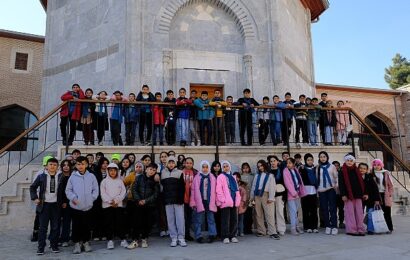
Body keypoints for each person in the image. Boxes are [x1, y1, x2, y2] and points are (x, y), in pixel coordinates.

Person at [65, 156, 99, 254]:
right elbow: (68, 190)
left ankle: (86, 242)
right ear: (76, 165)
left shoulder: (91, 176)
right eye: (78, 164)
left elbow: (95, 190)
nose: (80, 166)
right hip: (76, 207)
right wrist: (73, 198)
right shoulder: (72, 176)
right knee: (76, 225)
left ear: (87, 165)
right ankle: (77, 243)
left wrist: (91, 198)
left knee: (87, 225)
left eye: (83, 164)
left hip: (88, 206)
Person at [30, 158, 61, 255]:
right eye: (50, 164)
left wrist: (63, 202)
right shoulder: (41, 177)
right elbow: (32, 187)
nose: (52, 166)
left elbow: (64, 190)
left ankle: (54, 245)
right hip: (44, 205)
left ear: (57, 167)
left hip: (56, 206)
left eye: (55, 165)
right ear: (46, 166)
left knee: (55, 227)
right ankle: (41, 247)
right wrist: (35, 198)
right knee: (43, 228)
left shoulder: (61, 177)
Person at [129, 163, 159, 248]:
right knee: (137, 222)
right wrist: (139, 200)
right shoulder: (139, 178)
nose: (152, 171)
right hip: (138, 204)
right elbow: (134, 189)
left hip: (149, 205)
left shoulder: (155, 180)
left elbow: (156, 194)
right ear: (146, 169)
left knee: (147, 223)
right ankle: (135, 240)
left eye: (154, 170)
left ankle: (144, 239)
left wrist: (145, 201)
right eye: (150, 169)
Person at [160, 156, 187, 247]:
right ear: (166, 164)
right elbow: (162, 188)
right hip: (168, 200)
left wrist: (180, 199)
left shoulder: (180, 173)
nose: (171, 164)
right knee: (170, 220)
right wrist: (163, 199)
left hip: (178, 200)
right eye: (169, 163)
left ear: (175, 163)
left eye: (173, 162)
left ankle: (181, 237)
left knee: (180, 219)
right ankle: (174, 237)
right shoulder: (163, 173)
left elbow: (182, 188)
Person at [100, 163, 127, 249]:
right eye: (110, 170)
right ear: (108, 171)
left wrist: (116, 201)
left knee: (120, 222)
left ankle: (123, 239)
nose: (112, 172)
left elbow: (123, 192)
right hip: (107, 206)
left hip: (118, 205)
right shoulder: (104, 181)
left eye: (114, 170)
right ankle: (110, 240)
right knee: (109, 223)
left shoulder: (120, 181)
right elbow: (103, 193)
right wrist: (110, 201)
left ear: (117, 171)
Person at [338, 154, 367, 236]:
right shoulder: (342, 171)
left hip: (358, 194)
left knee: (359, 212)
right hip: (348, 195)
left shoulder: (356, 170)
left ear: (353, 161)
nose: (349, 162)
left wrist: (364, 193)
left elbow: (361, 182)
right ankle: (351, 229)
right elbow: (341, 184)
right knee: (350, 212)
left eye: (351, 161)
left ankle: (360, 228)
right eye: (348, 160)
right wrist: (343, 194)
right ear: (345, 161)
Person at [251, 160, 280, 239]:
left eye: (261, 165)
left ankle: (272, 232)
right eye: (259, 166)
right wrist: (252, 197)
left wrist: (271, 197)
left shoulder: (270, 175)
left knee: (269, 214)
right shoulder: (257, 176)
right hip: (257, 195)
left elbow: (272, 187)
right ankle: (261, 231)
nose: (260, 167)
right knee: (258, 214)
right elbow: (253, 186)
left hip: (266, 194)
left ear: (265, 165)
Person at [190, 160, 217, 243]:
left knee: (211, 219)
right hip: (200, 201)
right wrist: (193, 202)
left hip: (210, 201)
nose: (205, 169)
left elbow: (216, 190)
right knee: (198, 219)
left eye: (206, 167)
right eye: (203, 167)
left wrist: (216, 201)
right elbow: (193, 190)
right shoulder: (197, 177)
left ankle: (212, 234)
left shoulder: (212, 177)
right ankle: (198, 235)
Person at [216, 161, 241, 244]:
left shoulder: (233, 177)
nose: (226, 168)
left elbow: (236, 189)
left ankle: (232, 235)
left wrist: (238, 198)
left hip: (233, 200)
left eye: (227, 166)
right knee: (225, 220)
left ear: (230, 167)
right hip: (226, 201)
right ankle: (225, 236)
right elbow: (218, 190)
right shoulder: (221, 176)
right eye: (224, 166)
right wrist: (223, 200)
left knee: (234, 219)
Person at [316, 151, 339, 235]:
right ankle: (328, 226)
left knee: (332, 208)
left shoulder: (332, 166)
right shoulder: (318, 167)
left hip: (331, 189)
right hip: (322, 190)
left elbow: (336, 177)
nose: (322, 158)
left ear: (327, 157)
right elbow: (316, 178)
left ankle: (334, 226)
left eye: (324, 156)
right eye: (321, 157)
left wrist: (336, 187)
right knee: (324, 209)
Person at [283, 158, 306, 235]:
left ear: (293, 163)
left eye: (290, 163)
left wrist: (299, 191)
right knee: (293, 212)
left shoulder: (295, 170)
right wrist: (293, 192)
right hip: (291, 194)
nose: (288, 164)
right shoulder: (285, 171)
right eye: (287, 163)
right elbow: (287, 183)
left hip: (297, 193)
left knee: (296, 211)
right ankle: (293, 228)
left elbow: (299, 181)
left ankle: (297, 226)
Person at [371, 159, 394, 232]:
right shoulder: (371, 173)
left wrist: (390, 193)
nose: (376, 166)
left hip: (385, 194)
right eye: (375, 165)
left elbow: (390, 185)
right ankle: (379, 227)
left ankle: (389, 227)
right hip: (376, 195)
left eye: (378, 165)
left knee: (387, 211)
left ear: (381, 165)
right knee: (378, 212)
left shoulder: (386, 173)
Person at [90, 157, 109, 241]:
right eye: (103, 163)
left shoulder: (110, 173)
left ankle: (104, 233)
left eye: (106, 163)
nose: (105, 165)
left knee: (105, 216)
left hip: (107, 197)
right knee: (96, 216)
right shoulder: (95, 173)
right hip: (97, 198)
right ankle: (96, 234)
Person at [299, 153, 318, 233]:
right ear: (305, 161)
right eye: (308, 160)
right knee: (306, 210)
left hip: (313, 191)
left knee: (314, 210)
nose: (310, 161)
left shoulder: (315, 169)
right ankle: (307, 227)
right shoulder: (302, 168)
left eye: (311, 160)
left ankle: (314, 226)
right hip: (305, 192)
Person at [268, 155, 286, 235]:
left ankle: (281, 229)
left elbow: (285, 183)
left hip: (280, 194)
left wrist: (285, 195)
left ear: (277, 161)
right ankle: (272, 229)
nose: (272, 163)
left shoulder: (282, 171)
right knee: (271, 213)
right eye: (271, 161)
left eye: (274, 161)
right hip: (270, 195)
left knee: (280, 212)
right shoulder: (268, 172)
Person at [57, 159, 74, 247]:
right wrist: (62, 202)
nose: (66, 167)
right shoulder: (59, 176)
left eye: (68, 165)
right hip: (59, 203)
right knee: (58, 222)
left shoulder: (73, 176)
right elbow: (59, 191)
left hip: (70, 202)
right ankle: (57, 239)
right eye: (64, 165)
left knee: (67, 222)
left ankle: (65, 239)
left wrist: (66, 202)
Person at [182, 157, 198, 241]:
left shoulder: (195, 173)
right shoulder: (180, 172)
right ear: (184, 163)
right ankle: (182, 234)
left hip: (192, 199)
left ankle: (187, 234)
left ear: (192, 164)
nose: (188, 164)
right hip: (182, 199)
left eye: (190, 163)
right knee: (183, 218)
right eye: (187, 163)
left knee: (189, 218)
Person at [240, 162, 254, 234]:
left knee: (250, 214)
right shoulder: (240, 176)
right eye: (244, 168)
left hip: (250, 198)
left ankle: (249, 228)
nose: (245, 169)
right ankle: (243, 228)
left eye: (247, 168)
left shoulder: (252, 176)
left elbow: (253, 186)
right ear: (242, 169)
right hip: (242, 199)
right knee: (243, 214)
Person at [234, 172, 247, 237]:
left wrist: (244, 202)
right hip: (235, 205)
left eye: (237, 177)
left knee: (241, 219)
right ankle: (235, 232)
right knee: (235, 220)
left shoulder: (242, 186)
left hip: (241, 205)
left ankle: (241, 231)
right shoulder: (232, 184)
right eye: (235, 177)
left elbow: (244, 194)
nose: (236, 178)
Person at [332, 160, 345, 228]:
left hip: (340, 193)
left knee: (341, 208)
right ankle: (333, 222)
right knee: (333, 208)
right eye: (334, 165)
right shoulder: (330, 173)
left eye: (337, 165)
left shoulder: (341, 173)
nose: (336, 167)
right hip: (332, 193)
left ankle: (341, 222)